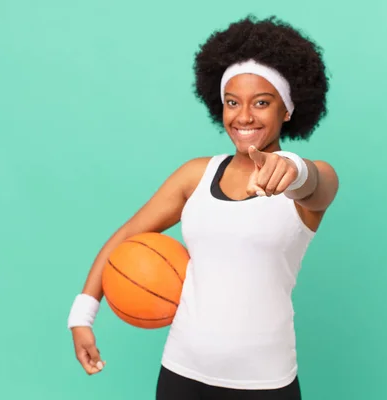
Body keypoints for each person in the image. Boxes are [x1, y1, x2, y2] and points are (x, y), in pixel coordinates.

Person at [67, 15, 339, 400]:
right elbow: (128, 236)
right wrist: (82, 316)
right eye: (233, 102)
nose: (244, 116)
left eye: (262, 102)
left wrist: (293, 169)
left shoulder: (306, 180)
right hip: (182, 372)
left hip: (264, 380)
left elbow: (319, 185)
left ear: (288, 109)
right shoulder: (195, 175)